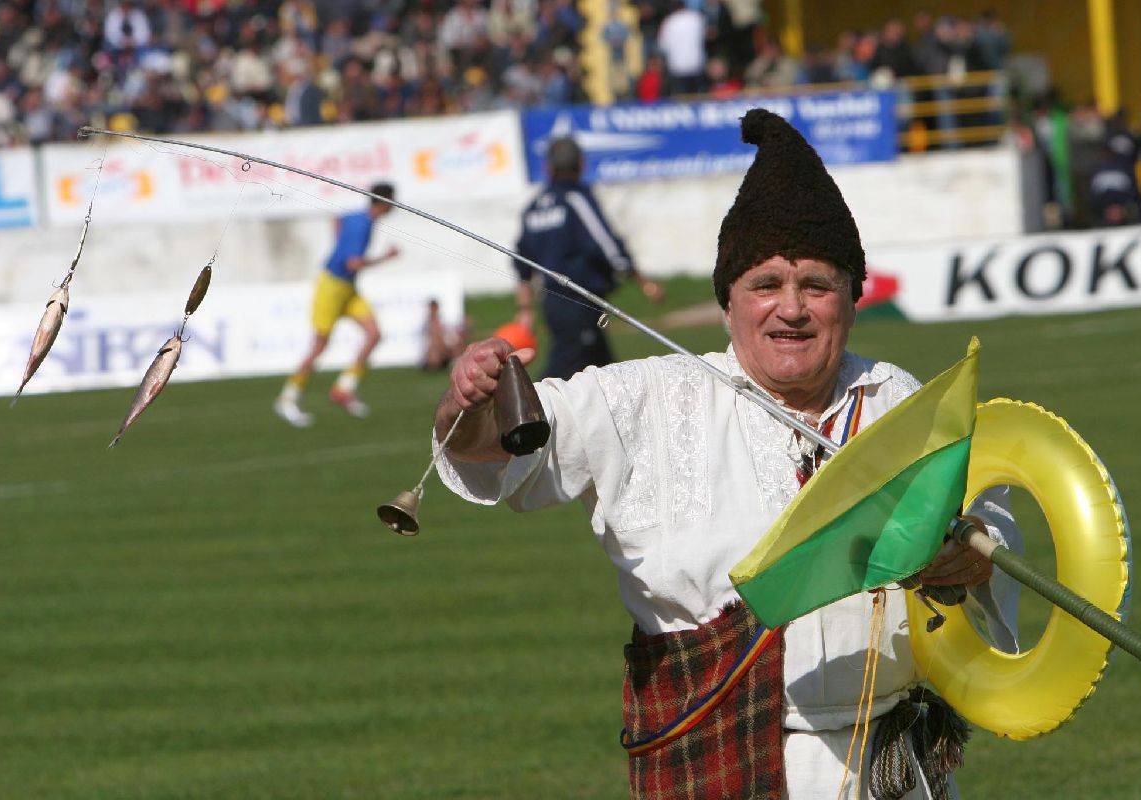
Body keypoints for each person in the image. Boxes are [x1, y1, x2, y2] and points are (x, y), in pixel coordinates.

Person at [431, 109, 1020, 797]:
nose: (791, 309)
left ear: (851, 300)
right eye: (766, 284)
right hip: (713, 756)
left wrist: (970, 552)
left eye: (817, 286)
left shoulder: (901, 400)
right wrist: (469, 400)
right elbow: (494, 457)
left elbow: (990, 520)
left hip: (892, 766)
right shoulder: (647, 396)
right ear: (729, 301)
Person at [514, 135, 663, 380]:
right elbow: (606, 244)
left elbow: (522, 263)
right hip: (578, 300)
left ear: (547, 168)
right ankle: (526, 416)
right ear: (581, 165)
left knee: (604, 373)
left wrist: (525, 309)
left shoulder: (533, 208)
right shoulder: (576, 199)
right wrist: (643, 281)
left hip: (552, 303)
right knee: (561, 374)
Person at [274, 182, 400, 426]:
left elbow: (337, 219)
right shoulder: (363, 225)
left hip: (348, 287)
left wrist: (339, 245)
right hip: (332, 286)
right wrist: (387, 258)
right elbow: (353, 263)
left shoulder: (358, 217)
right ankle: (287, 398)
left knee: (374, 334)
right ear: (384, 203)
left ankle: (344, 388)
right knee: (320, 345)